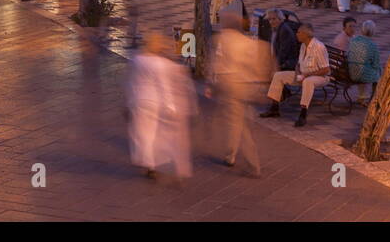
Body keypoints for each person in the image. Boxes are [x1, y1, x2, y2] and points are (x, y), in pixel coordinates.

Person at [125, 32, 197, 181]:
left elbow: (131, 82)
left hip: (139, 101)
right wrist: (170, 106)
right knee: (152, 133)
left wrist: (128, 101)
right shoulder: (160, 63)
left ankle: (147, 162)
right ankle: (151, 163)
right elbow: (164, 86)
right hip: (154, 102)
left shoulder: (137, 60)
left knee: (142, 133)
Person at [210, 13, 269, 177]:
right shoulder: (248, 43)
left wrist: (213, 85)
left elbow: (218, 64)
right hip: (247, 87)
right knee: (239, 121)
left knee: (239, 125)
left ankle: (251, 162)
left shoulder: (223, 38)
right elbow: (257, 66)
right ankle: (231, 154)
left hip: (231, 86)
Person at [260, 24, 329, 127]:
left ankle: (303, 114)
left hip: (319, 77)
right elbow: (298, 64)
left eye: (298, 32)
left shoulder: (319, 47)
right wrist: (298, 73)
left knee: (308, 82)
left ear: (306, 34)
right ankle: (274, 108)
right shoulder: (303, 46)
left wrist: (307, 75)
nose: (296, 34)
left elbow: (326, 70)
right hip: (303, 74)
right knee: (278, 75)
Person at [346, 20, 382, 103]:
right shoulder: (373, 45)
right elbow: (376, 65)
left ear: (362, 30)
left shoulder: (353, 40)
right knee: (378, 72)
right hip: (362, 74)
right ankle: (374, 98)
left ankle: (362, 96)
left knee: (362, 64)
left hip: (352, 72)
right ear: (373, 32)